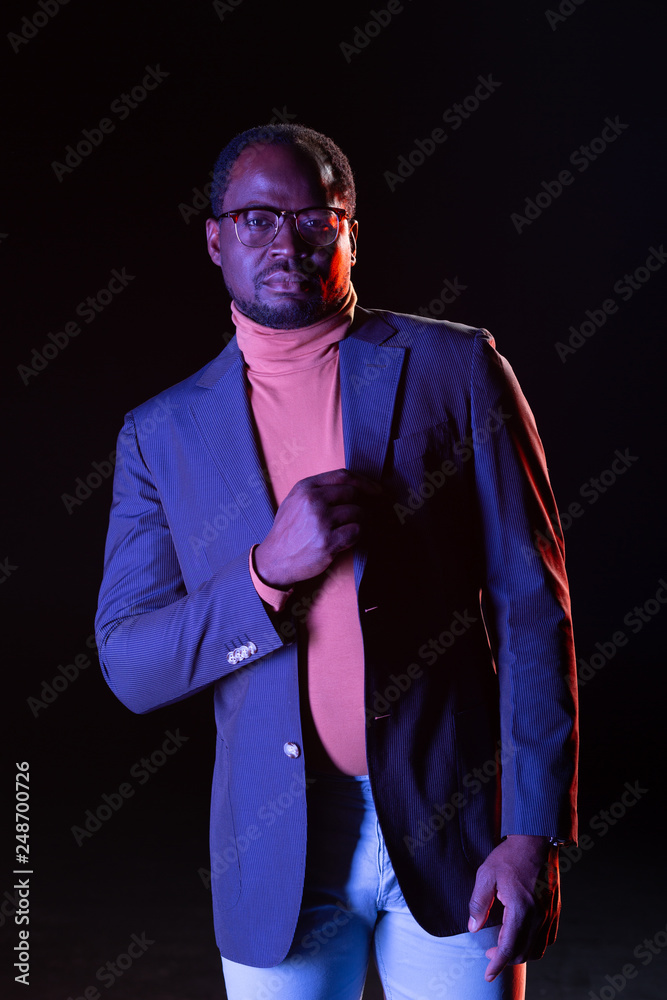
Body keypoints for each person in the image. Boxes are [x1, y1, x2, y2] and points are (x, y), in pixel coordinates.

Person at [95, 123, 578, 1000]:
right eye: (256, 219)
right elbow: (130, 662)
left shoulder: (456, 367)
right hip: (275, 850)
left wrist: (533, 831)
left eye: (316, 217)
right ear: (215, 238)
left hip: (458, 830)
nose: (287, 241)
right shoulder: (157, 434)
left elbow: (531, 606)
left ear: (351, 230)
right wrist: (263, 576)